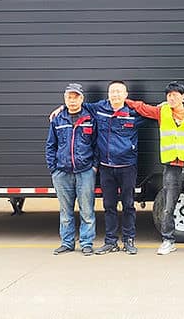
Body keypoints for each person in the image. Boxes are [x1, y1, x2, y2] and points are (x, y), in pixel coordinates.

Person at [51, 81, 150, 255]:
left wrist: (172, 106)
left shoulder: (134, 113)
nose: (115, 95)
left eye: (119, 92)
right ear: (108, 94)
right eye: (112, 91)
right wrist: (61, 108)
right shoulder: (99, 109)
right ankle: (110, 242)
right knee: (109, 206)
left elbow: (155, 114)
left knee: (128, 205)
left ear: (126, 95)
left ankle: (129, 240)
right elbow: (76, 105)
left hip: (127, 166)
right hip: (106, 168)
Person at [126, 82, 184, 256]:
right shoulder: (161, 111)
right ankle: (168, 241)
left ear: (183, 96)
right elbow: (142, 108)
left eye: (175, 95)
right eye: (169, 95)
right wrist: (123, 100)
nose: (172, 98)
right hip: (171, 167)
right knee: (167, 207)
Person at [44, 83, 98, 256]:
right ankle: (67, 243)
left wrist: (94, 167)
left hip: (85, 172)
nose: (72, 101)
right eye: (69, 97)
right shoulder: (57, 119)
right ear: (64, 99)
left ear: (82, 99)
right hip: (62, 173)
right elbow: (50, 145)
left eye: (76, 97)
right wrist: (54, 169)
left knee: (87, 211)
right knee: (65, 211)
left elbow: (97, 145)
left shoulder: (90, 118)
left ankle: (86, 243)